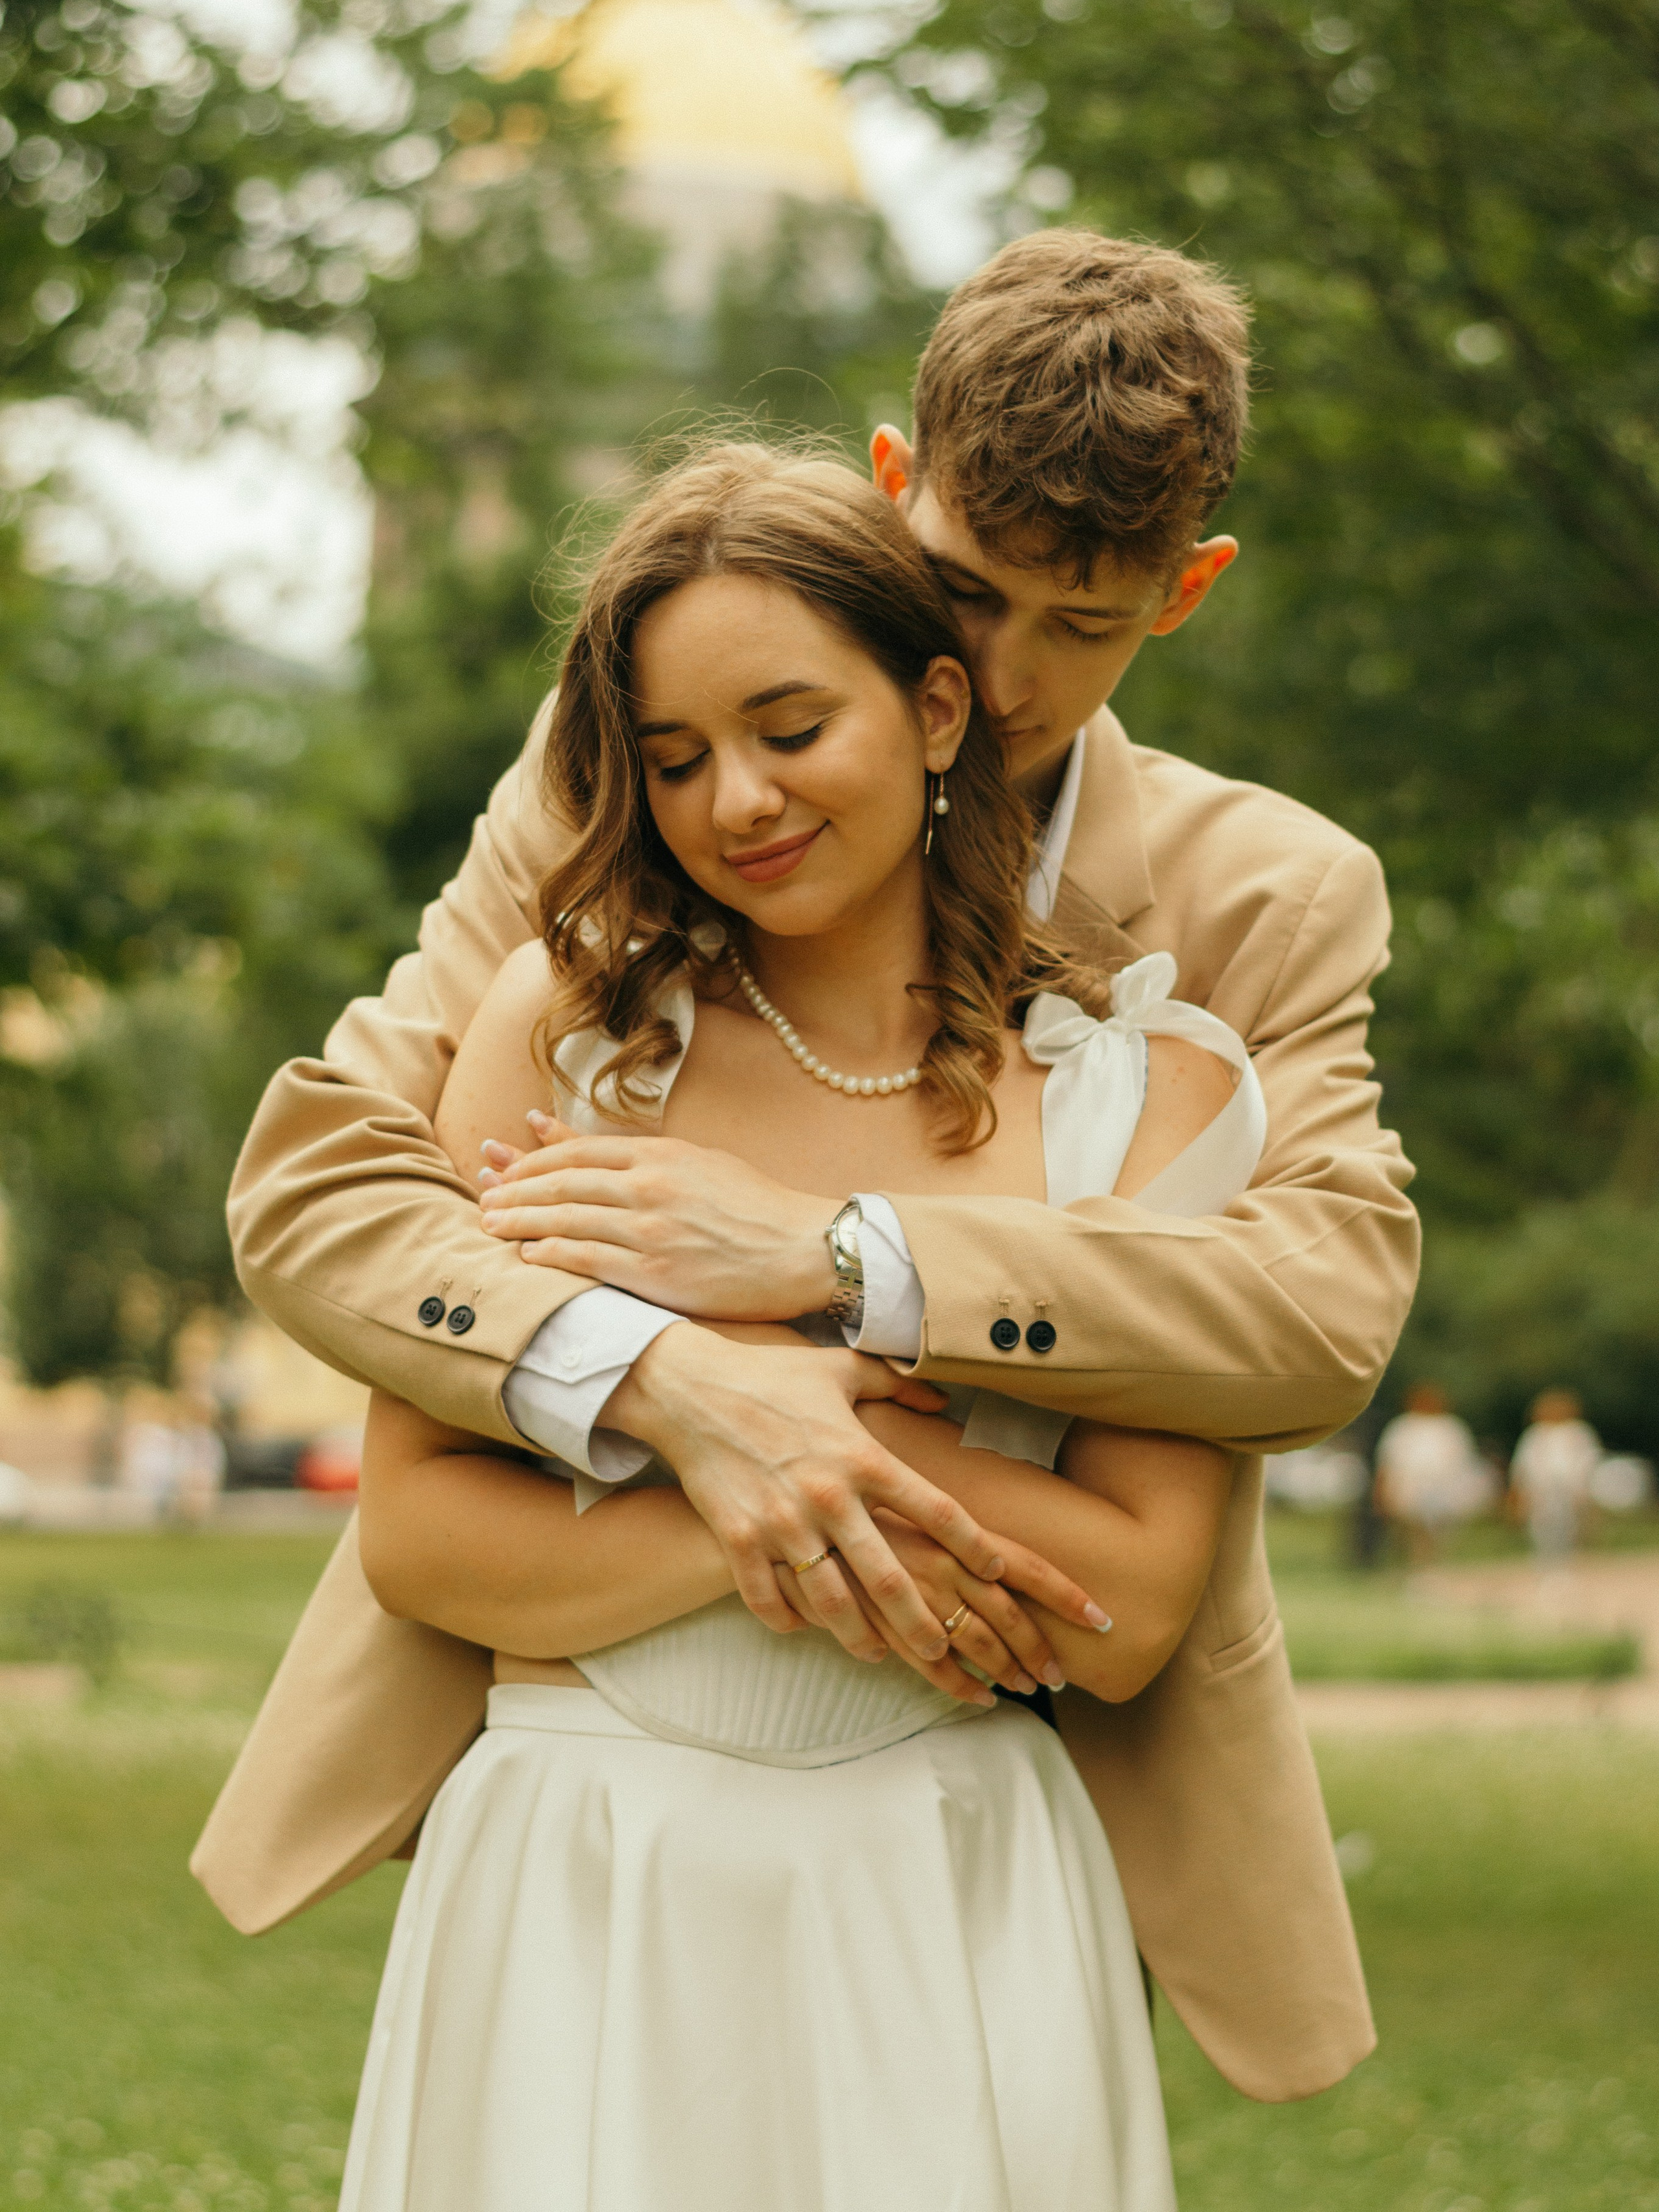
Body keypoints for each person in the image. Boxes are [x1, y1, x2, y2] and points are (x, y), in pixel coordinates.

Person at [195, 229, 1416, 2105]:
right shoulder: (634, 786)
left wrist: (847, 1261)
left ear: (1186, 590)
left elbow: (1317, 1314)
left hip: (999, 1789)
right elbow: (325, 1184)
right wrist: (666, 1385)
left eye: (1082, 623)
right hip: (586, 1766)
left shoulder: (1266, 896)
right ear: (889, 483)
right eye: (964, 593)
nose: (1002, 676)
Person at [338, 443, 1266, 2212]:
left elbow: (1133, 1602)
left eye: (787, 727)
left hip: (951, 1868)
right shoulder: (563, 1032)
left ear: (935, 708)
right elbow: (424, 1534)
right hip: (583, 1862)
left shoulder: (1134, 1099)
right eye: (674, 757)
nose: (736, 801)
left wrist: (758, 1407)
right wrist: (745, 1442)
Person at [1373, 1383, 1494, 1563]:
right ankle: (1418, 1561)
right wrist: (1382, 1491)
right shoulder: (1402, 1427)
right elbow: (1387, 1462)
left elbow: (1464, 1464)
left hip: (1444, 1489)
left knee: (1439, 1530)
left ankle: (1432, 1561)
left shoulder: (1451, 1427)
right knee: (1414, 1530)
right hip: (1409, 1488)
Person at [1510, 1389, 1603, 1562]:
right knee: (1541, 1523)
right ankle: (1545, 1558)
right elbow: (1524, 1465)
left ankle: (1568, 1558)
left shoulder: (1579, 1432)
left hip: (1571, 1487)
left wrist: (1584, 1488)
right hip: (1540, 1488)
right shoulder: (1535, 1434)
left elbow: (1588, 1461)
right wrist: (1522, 1491)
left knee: (1570, 1524)